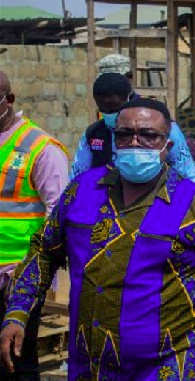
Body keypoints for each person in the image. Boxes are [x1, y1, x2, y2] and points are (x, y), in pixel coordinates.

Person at [0, 98, 195, 380]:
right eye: (124, 135)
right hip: (92, 364)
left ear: (167, 146)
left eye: (148, 135)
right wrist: (18, 312)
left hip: (172, 365)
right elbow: (44, 252)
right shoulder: (81, 192)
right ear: (113, 141)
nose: (135, 143)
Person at [0, 71, 69, 380]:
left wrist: (40, 273)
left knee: (15, 360)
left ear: (9, 101)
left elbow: (59, 214)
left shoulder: (40, 147)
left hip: (17, 274)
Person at [71, 73, 195, 184]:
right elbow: (77, 177)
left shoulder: (166, 129)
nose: (110, 113)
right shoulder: (93, 134)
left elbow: (186, 173)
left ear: (129, 98)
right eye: (104, 109)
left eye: (115, 108)